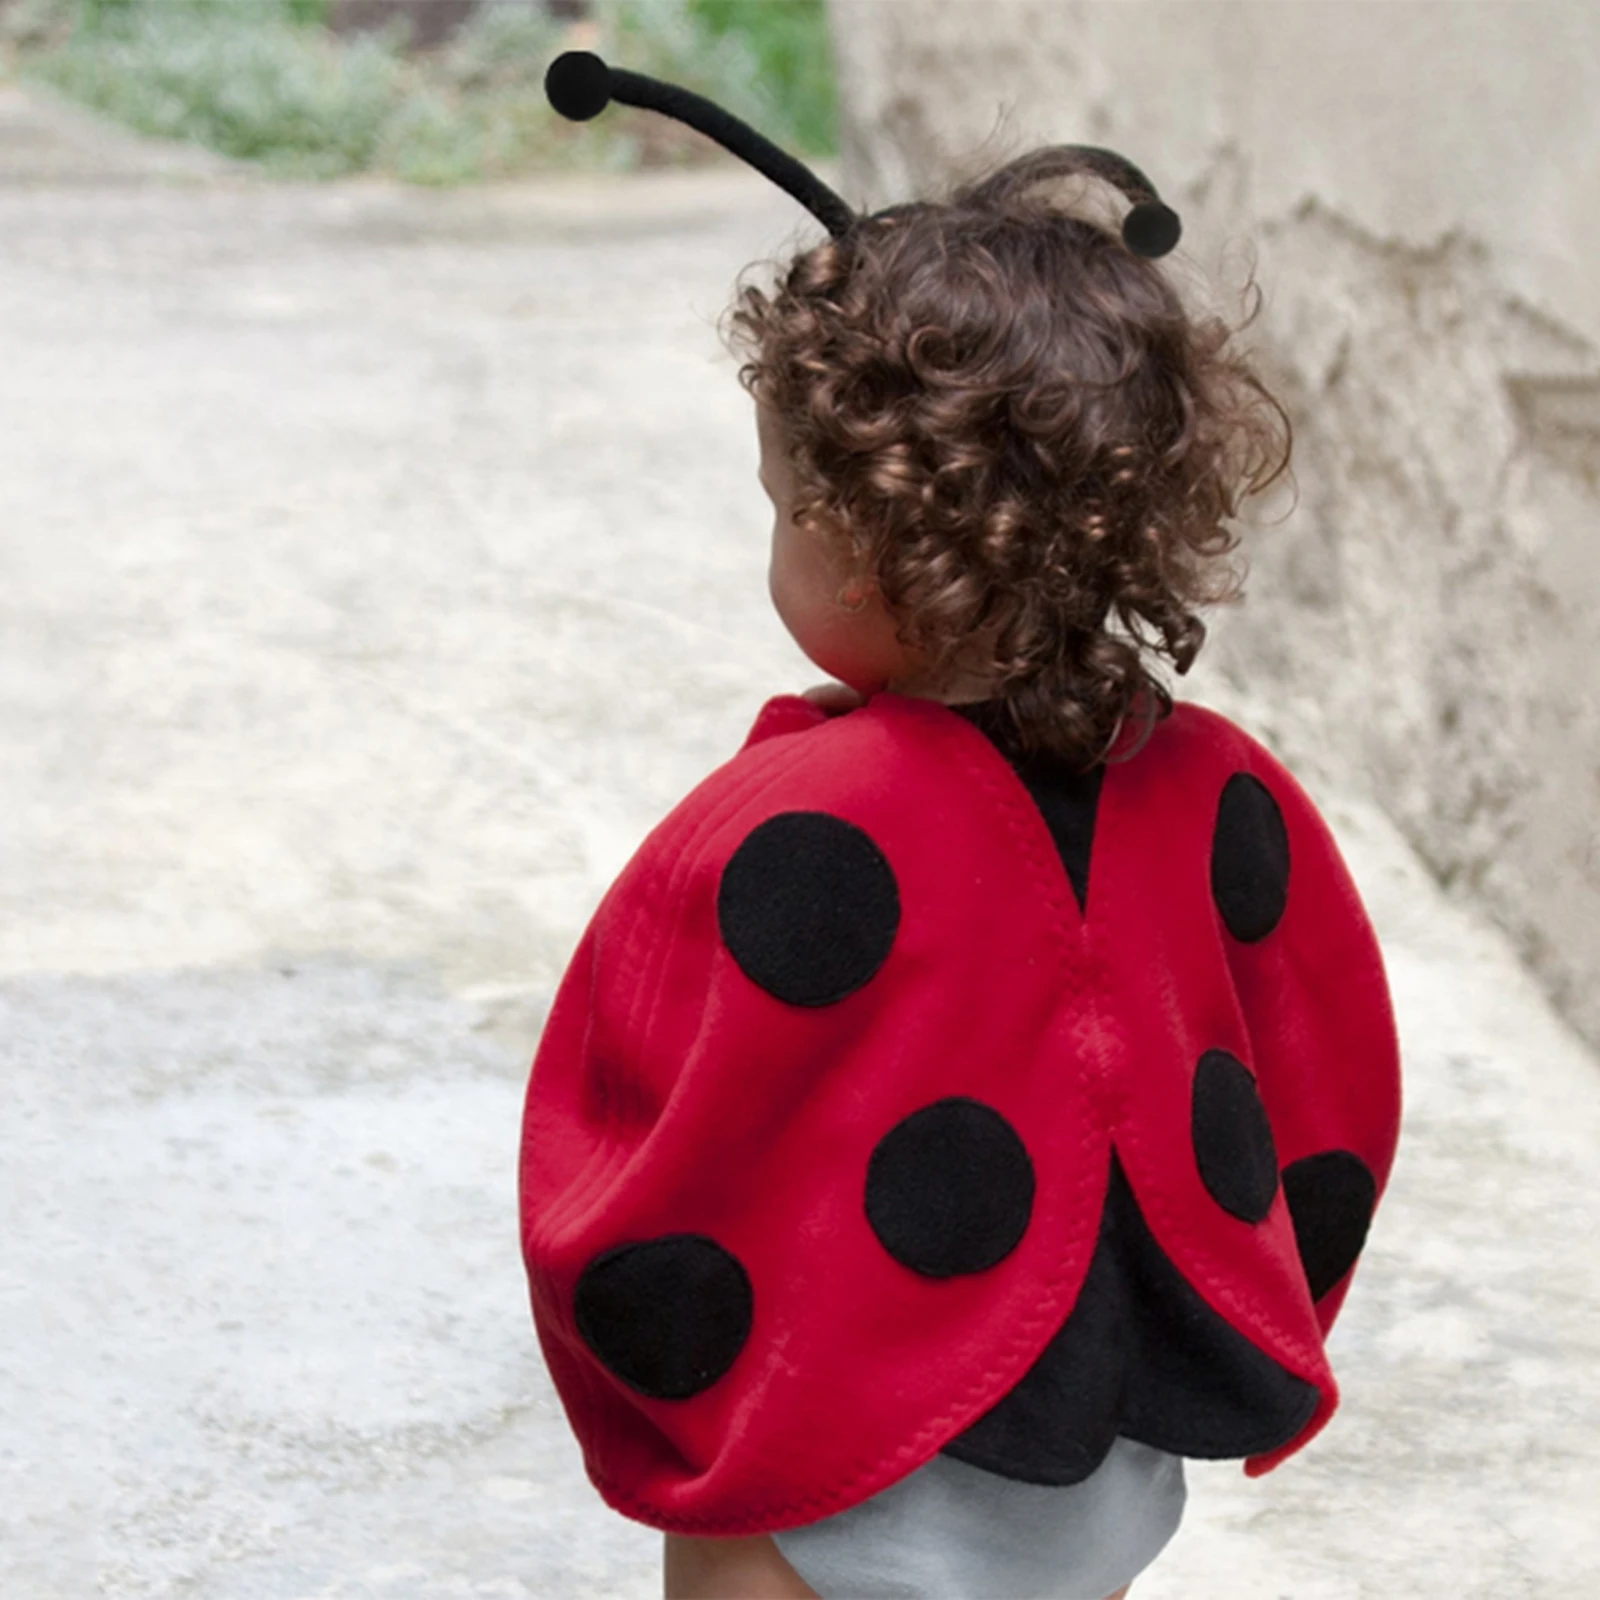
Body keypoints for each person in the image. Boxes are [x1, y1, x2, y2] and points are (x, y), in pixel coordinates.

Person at [525, 55, 1402, 1600]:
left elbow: (644, 1134)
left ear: (861, 546)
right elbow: (1324, 1084)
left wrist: (656, 1380)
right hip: (1106, 1458)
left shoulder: (780, 824)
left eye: (784, 506)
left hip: (823, 1463)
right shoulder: (1222, 794)